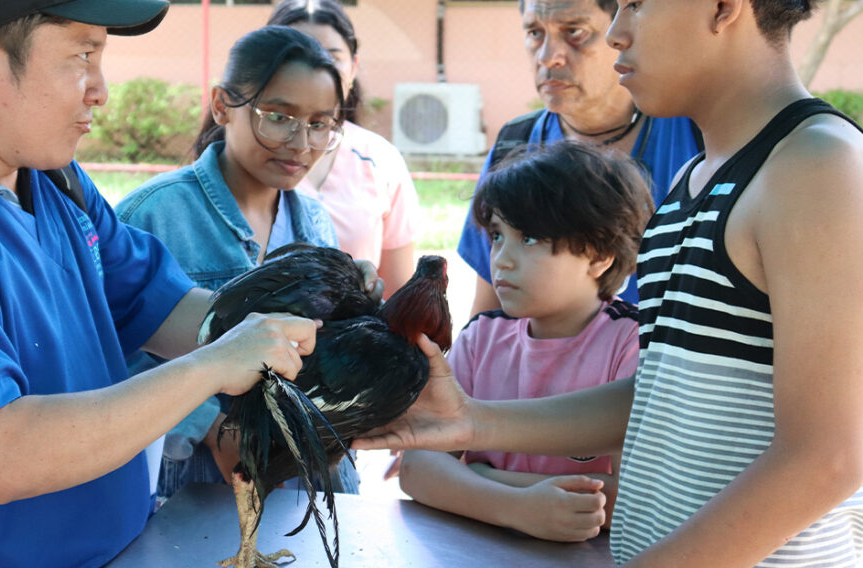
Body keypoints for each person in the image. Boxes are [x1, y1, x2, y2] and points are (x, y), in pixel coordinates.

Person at [0, 3, 339, 566]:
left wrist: (322, 335)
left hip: (126, 547)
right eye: (83, 55)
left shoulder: (49, 177)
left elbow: (168, 308)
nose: (100, 90)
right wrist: (213, 365)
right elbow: (3, 454)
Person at [356, 0, 863, 565]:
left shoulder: (818, 165)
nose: (617, 33)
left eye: (638, 5)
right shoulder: (694, 178)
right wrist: (472, 420)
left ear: (722, 8)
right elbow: (663, 395)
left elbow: (830, 457)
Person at [116, 25, 358, 502]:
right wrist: (210, 426)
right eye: (279, 116)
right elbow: (110, 358)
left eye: (320, 123)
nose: (301, 142)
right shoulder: (153, 214)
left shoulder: (312, 220)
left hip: (305, 480)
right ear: (222, 105)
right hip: (192, 483)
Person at [399, 141, 651, 542]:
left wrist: (480, 477)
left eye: (529, 238)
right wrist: (518, 508)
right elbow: (416, 468)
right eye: (498, 235)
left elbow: (634, 499)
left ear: (600, 254)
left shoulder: (634, 342)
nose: (501, 259)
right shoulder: (482, 337)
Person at [458, 0, 701, 318]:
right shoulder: (514, 144)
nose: (548, 57)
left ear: (624, 32)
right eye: (535, 32)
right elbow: (488, 315)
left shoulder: (698, 135)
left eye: (574, 32)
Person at [267, 0, 422, 298]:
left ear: (353, 66)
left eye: (331, 56)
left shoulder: (381, 159)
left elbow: (397, 293)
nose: (315, 67)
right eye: (294, 55)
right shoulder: (247, 156)